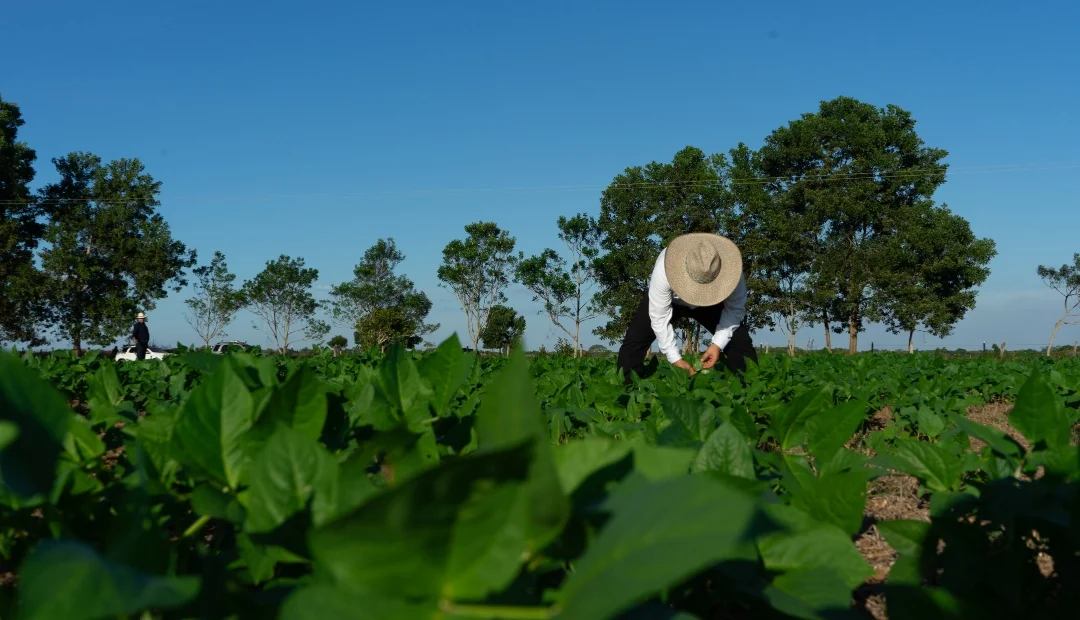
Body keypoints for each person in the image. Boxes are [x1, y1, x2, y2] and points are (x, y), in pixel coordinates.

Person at [616, 232, 757, 384]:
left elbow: (735, 309)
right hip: (672, 300)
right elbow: (659, 318)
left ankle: (748, 387)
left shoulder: (733, 273)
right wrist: (675, 358)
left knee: (740, 342)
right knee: (634, 341)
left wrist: (717, 345)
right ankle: (627, 388)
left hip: (710, 304)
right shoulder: (664, 268)